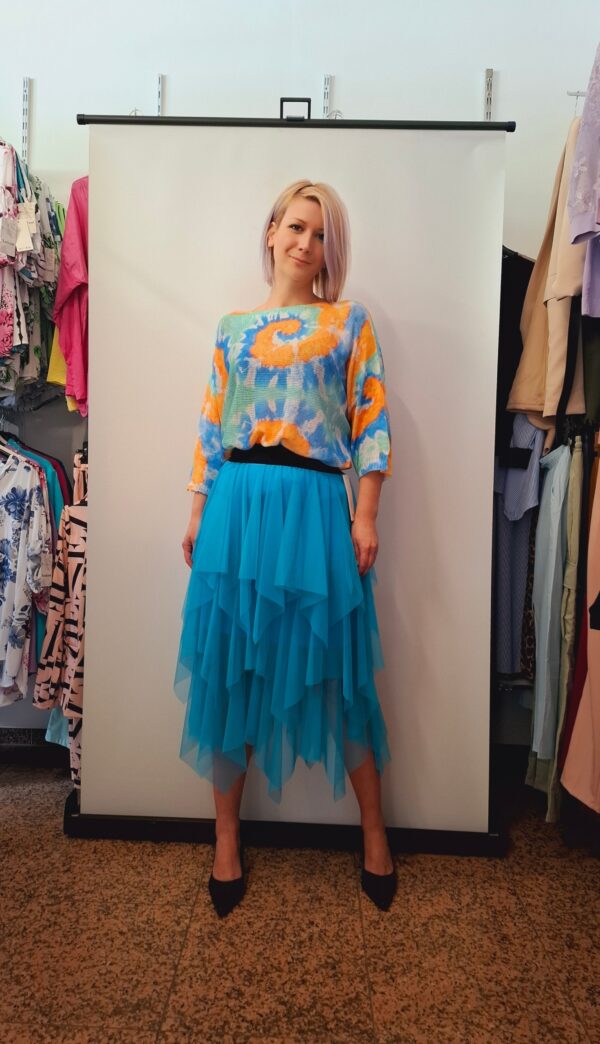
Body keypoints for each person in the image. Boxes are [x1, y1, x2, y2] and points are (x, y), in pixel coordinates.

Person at [174, 178, 395, 917]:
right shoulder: (232, 328)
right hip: (237, 507)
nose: (306, 243)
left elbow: (370, 421)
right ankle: (226, 839)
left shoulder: (348, 321)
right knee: (228, 673)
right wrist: (198, 511)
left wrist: (367, 515)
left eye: (321, 234)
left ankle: (374, 832)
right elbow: (212, 424)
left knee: (342, 672)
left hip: (315, 507)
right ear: (271, 232)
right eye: (296, 227)